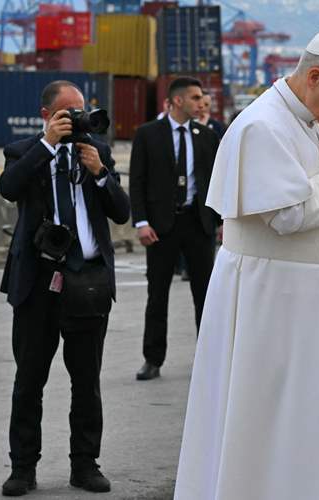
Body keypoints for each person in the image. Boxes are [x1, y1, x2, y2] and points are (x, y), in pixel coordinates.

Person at [173, 28, 319, 500]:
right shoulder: (261, 125)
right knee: (262, 422)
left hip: (305, 300)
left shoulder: (312, 120)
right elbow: (288, 214)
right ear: (315, 76)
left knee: (307, 420)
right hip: (270, 301)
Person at [0, 80, 130, 496]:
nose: (77, 118)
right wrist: (47, 145)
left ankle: (85, 464)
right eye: (67, 112)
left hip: (87, 283)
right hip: (37, 285)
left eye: (81, 110)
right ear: (46, 115)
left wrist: (100, 172)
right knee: (29, 381)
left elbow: (122, 212)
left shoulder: (97, 151)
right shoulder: (24, 151)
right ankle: (22, 468)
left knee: (86, 381)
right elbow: (8, 188)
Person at [129, 77, 221, 381]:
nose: (201, 103)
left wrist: (220, 222)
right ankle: (152, 359)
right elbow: (137, 181)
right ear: (178, 101)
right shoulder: (147, 134)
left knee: (204, 295)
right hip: (161, 226)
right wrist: (141, 222)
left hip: (198, 224)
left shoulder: (207, 136)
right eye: (195, 98)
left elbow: (217, 182)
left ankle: (208, 357)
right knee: (157, 295)